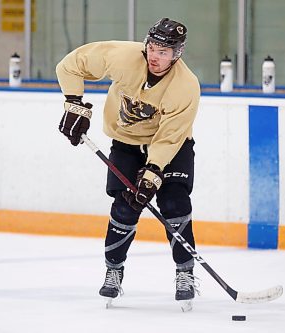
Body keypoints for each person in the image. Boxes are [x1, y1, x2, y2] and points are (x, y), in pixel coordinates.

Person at [56, 18, 201, 309]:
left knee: (174, 202)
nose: (155, 56)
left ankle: (185, 273)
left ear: (177, 53)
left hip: (171, 147)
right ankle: (113, 270)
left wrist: (153, 171)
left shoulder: (186, 86)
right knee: (125, 205)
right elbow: (69, 65)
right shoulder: (123, 57)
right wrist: (74, 103)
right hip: (127, 142)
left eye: (164, 51)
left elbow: (170, 138)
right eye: (153, 47)